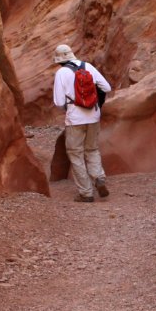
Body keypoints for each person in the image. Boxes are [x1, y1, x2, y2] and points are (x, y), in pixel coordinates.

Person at [51, 44, 112, 202]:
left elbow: (58, 101)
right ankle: (99, 178)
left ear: (58, 59)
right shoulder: (87, 66)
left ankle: (86, 193)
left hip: (75, 119)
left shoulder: (61, 73)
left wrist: (70, 104)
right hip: (94, 115)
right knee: (92, 149)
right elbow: (106, 87)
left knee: (75, 153)